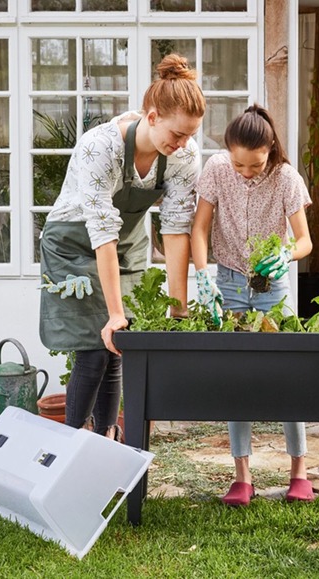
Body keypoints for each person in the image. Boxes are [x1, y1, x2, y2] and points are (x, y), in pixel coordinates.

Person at [39, 54, 206, 439]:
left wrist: (179, 309)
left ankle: (107, 439)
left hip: (126, 243)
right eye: (177, 134)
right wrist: (115, 312)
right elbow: (102, 232)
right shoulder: (101, 147)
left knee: (118, 346)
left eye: (190, 136)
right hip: (74, 240)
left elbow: (177, 229)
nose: (183, 144)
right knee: (93, 346)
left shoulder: (184, 155)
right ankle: (72, 444)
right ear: (152, 117)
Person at [191, 104, 314, 506]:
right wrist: (203, 276)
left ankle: (299, 472)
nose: (246, 172)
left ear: (270, 149)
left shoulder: (286, 178)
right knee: (236, 376)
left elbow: (304, 241)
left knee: (289, 375)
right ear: (228, 152)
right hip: (227, 282)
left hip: (273, 285)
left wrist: (286, 255)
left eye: (254, 164)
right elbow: (200, 227)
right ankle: (242, 476)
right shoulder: (216, 169)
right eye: (239, 164)